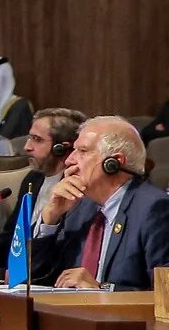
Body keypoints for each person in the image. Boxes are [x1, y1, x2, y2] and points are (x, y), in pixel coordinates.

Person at [32, 117, 169, 290]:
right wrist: (50, 220)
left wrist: (102, 288)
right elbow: (34, 281)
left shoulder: (154, 209)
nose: (69, 161)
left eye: (82, 151)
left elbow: (164, 295)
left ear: (113, 163)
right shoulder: (78, 206)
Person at [0, 108, 85, 270]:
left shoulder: (76, 188)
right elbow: (11, 240)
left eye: (36, 139)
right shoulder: (33, 179)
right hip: (22, 275)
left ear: (61, 148)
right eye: (29, 138)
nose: (26, 147)